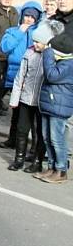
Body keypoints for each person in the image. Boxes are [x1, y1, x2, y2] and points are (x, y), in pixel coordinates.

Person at [5, 20, 60, 171]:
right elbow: (19, 77)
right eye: (35, 41)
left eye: (39, 42)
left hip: (42, 102)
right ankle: (19, 159)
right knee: (22, 130)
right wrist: (15, 98)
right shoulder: (29, 53)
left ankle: (37, 161)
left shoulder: (53, 56)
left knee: (40, 133)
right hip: (26, 98)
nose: (35, 44)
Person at [0, 2, 43, 150]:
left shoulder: (40, 32)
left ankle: (34, 148)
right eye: (26, 16)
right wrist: (19, 32)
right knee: (16, 113)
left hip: (33, 78)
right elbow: (4, 48)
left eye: (32, 17)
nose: (29, 19)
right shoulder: (13, 31)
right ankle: (12, 140)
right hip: (15, 77)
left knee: (33, 116)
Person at [37, 32, 73, 183]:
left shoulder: (69, 63)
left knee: (57, 139)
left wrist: (47, 53)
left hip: (59, 107)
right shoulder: (60, 61)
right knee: (47, 138)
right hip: (50, 104)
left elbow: (52, 75)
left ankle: (61, 170)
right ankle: (51, 167)